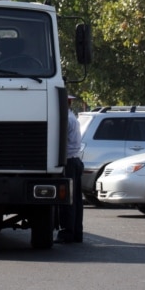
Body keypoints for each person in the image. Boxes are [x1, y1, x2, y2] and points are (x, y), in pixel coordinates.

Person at [56, 95, 84, 244]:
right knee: (76, 201)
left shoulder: (66, 119)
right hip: (75, 160)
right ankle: (76, 233)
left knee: (68, 200)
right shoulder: (71, 117)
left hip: (69, 161)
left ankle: (67, 232)